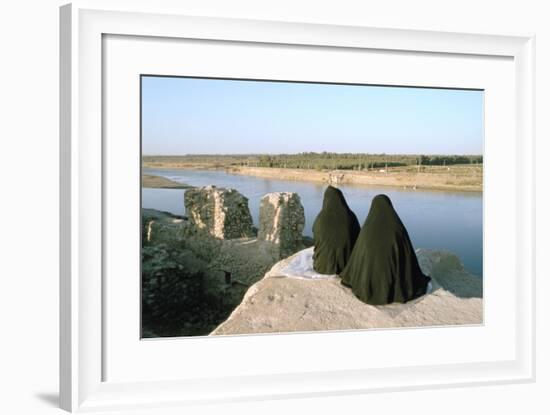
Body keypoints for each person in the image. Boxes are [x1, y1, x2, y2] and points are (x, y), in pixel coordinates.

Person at [339, 194, 430, 305]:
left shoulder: (367, 230)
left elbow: (358, 256)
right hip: (395, 285)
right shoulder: (397, 229)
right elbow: (407, 255)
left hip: (366, 285)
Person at [312, 186, 360, 274]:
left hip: (322, 266)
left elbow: (316, 238)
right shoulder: (350, 216)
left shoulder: (320, 218)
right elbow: (357, 239)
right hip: (346, 266)